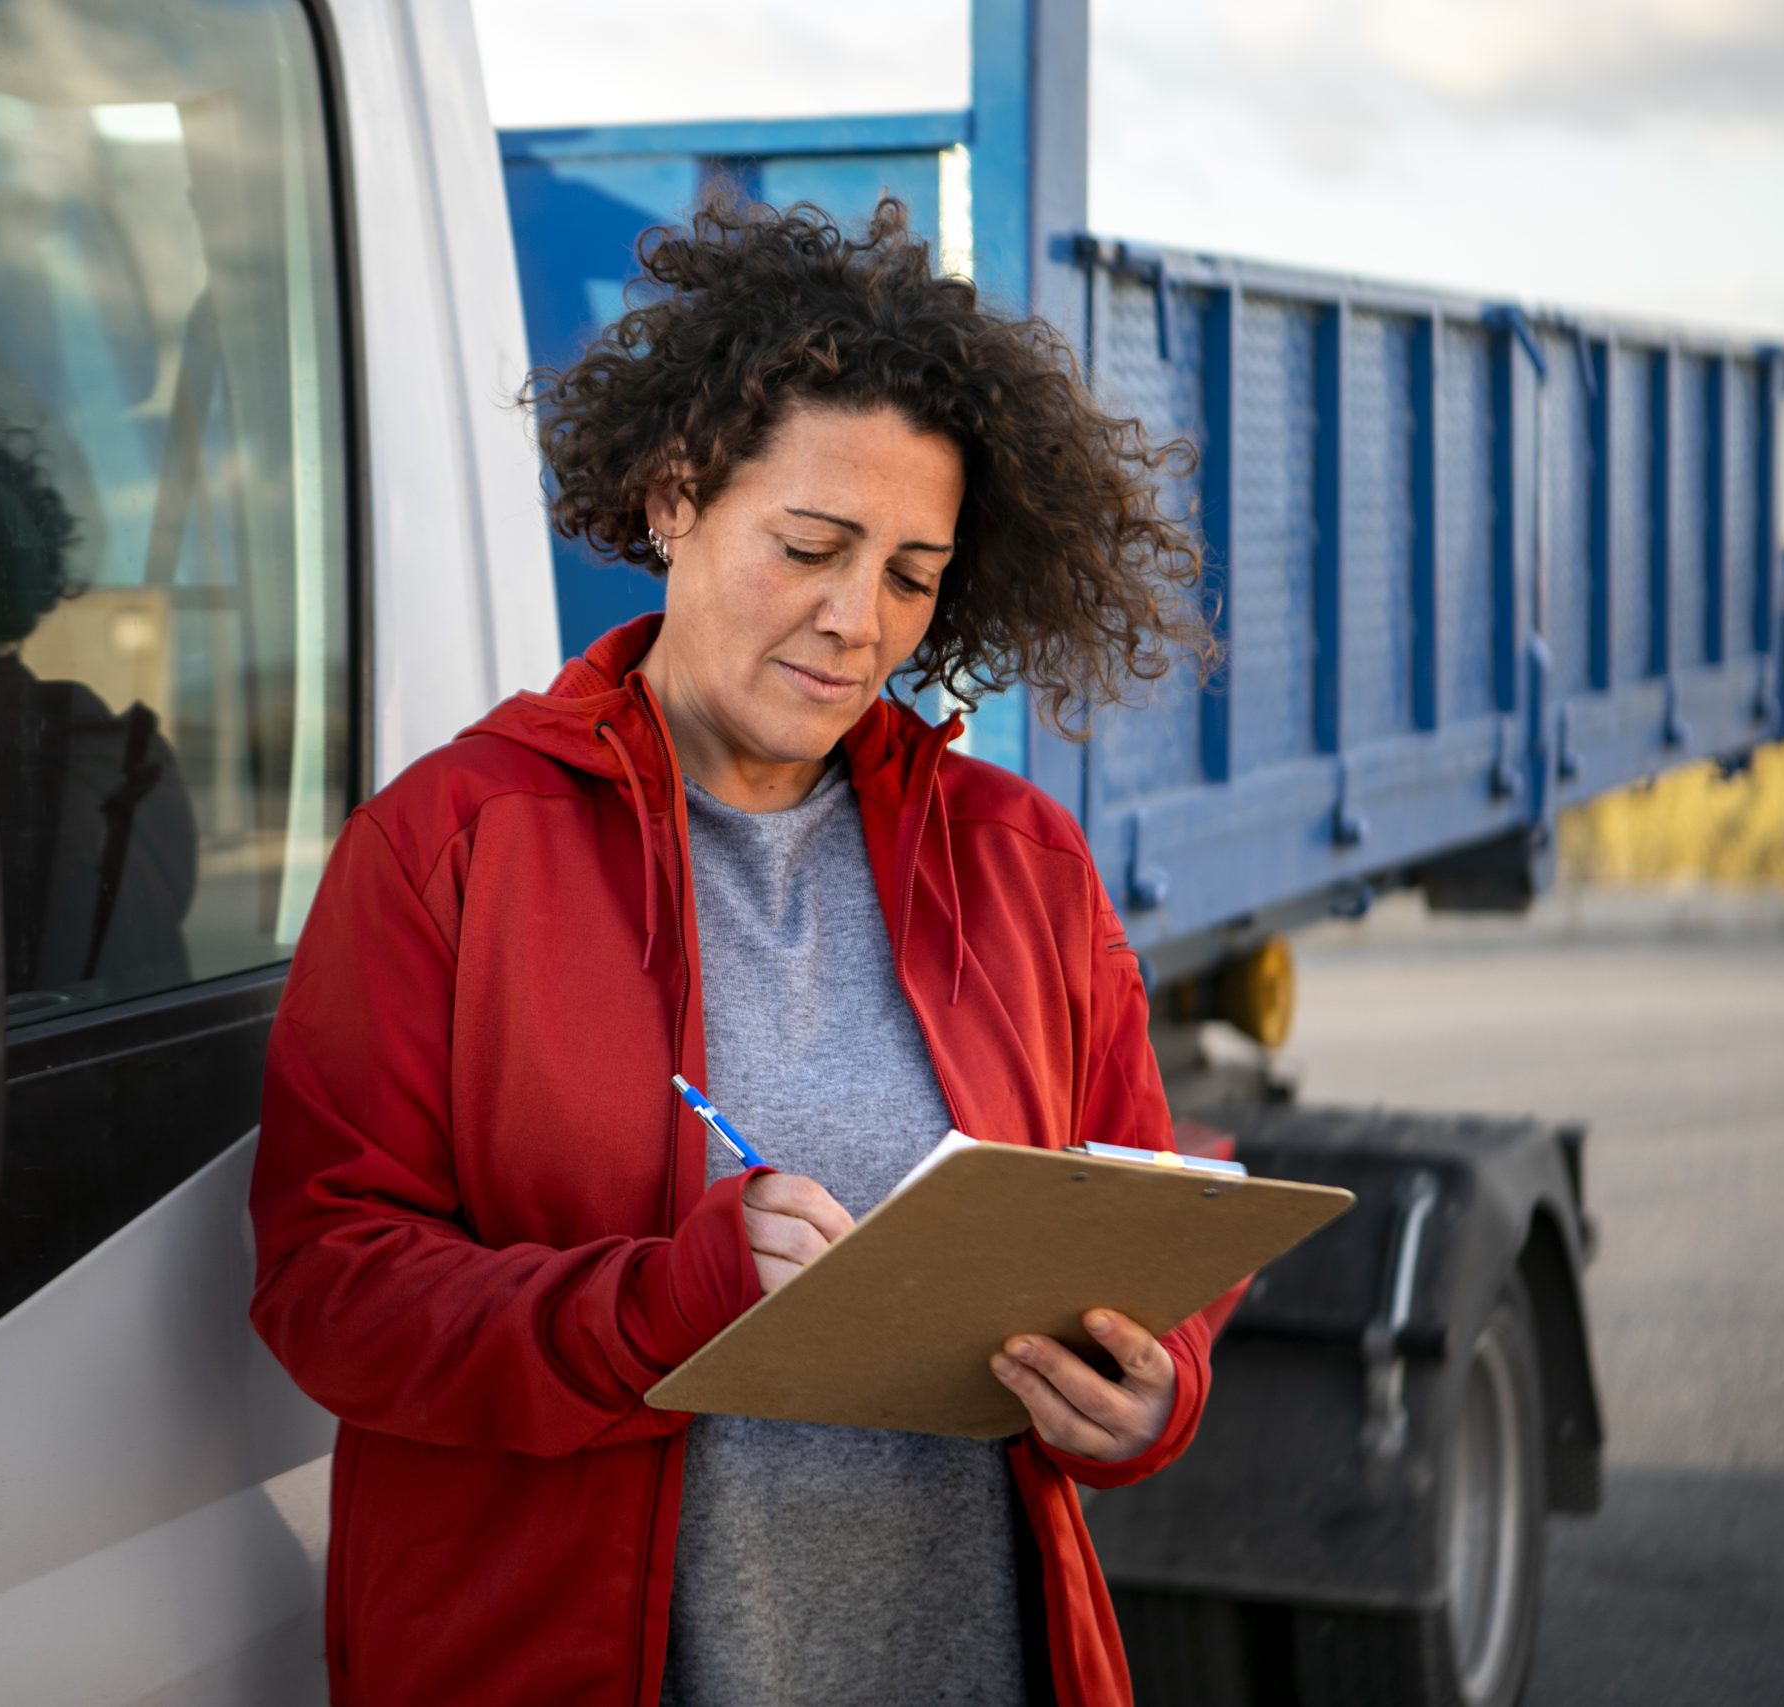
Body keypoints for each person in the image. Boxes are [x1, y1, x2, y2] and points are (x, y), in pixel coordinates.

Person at [248, 194, 1229, 1707]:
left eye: (911, 574)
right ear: (674, 497)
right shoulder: (451, 846)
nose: (857, 619)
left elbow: (1142, 1232)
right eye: (813, 545)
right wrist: (657, 1300)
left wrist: (1146, 1395)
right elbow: (333, 1289)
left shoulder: (1023, 864)